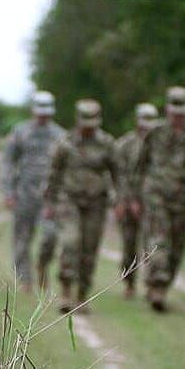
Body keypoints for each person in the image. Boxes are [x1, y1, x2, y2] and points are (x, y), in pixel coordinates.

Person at [132, 86, 185, 312]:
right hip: (157, 196)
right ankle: (156, 286)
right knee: (159, 241)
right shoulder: (155, 133)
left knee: (177, 246)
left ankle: (162, 285)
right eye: (174, 111)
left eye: (182, 112)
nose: (178, 116)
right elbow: (140, 166)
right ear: (167, 109)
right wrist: (134, 197)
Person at [43, 99, 119, 314]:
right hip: (70, 200)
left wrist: (120, 199)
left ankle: (82, 294)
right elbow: (54, 173)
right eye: (85, 121)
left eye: (93, 122)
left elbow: (117, 172)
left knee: (89, 248)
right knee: (70, 242)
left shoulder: (106, 143)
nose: (89, 126)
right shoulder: (65, 142)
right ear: (78, 120)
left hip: (96, 202)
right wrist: (50, 202)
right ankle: (66, 291)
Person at [1, 90, 66, 292]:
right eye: (40, 112)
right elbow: (9, 163)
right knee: (22, 239)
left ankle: (42, 269)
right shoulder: (20, 132)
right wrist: (8, 192)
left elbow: (65, 169)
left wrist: (62, 197)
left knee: (50, 236)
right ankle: (24, 280)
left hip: (49, 197)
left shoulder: (60, 136)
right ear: (33, 111)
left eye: (46, 112)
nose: (43, 116)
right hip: (24, 194)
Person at [114, 103, 159, 298]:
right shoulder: (124, 144)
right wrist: (124, 200)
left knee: (153, 245)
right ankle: (129, 283)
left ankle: (152, 284)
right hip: (128, 200)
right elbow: (118, 175)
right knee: (129, 245)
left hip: (152, 202)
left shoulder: (160, 145)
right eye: (144, 120)